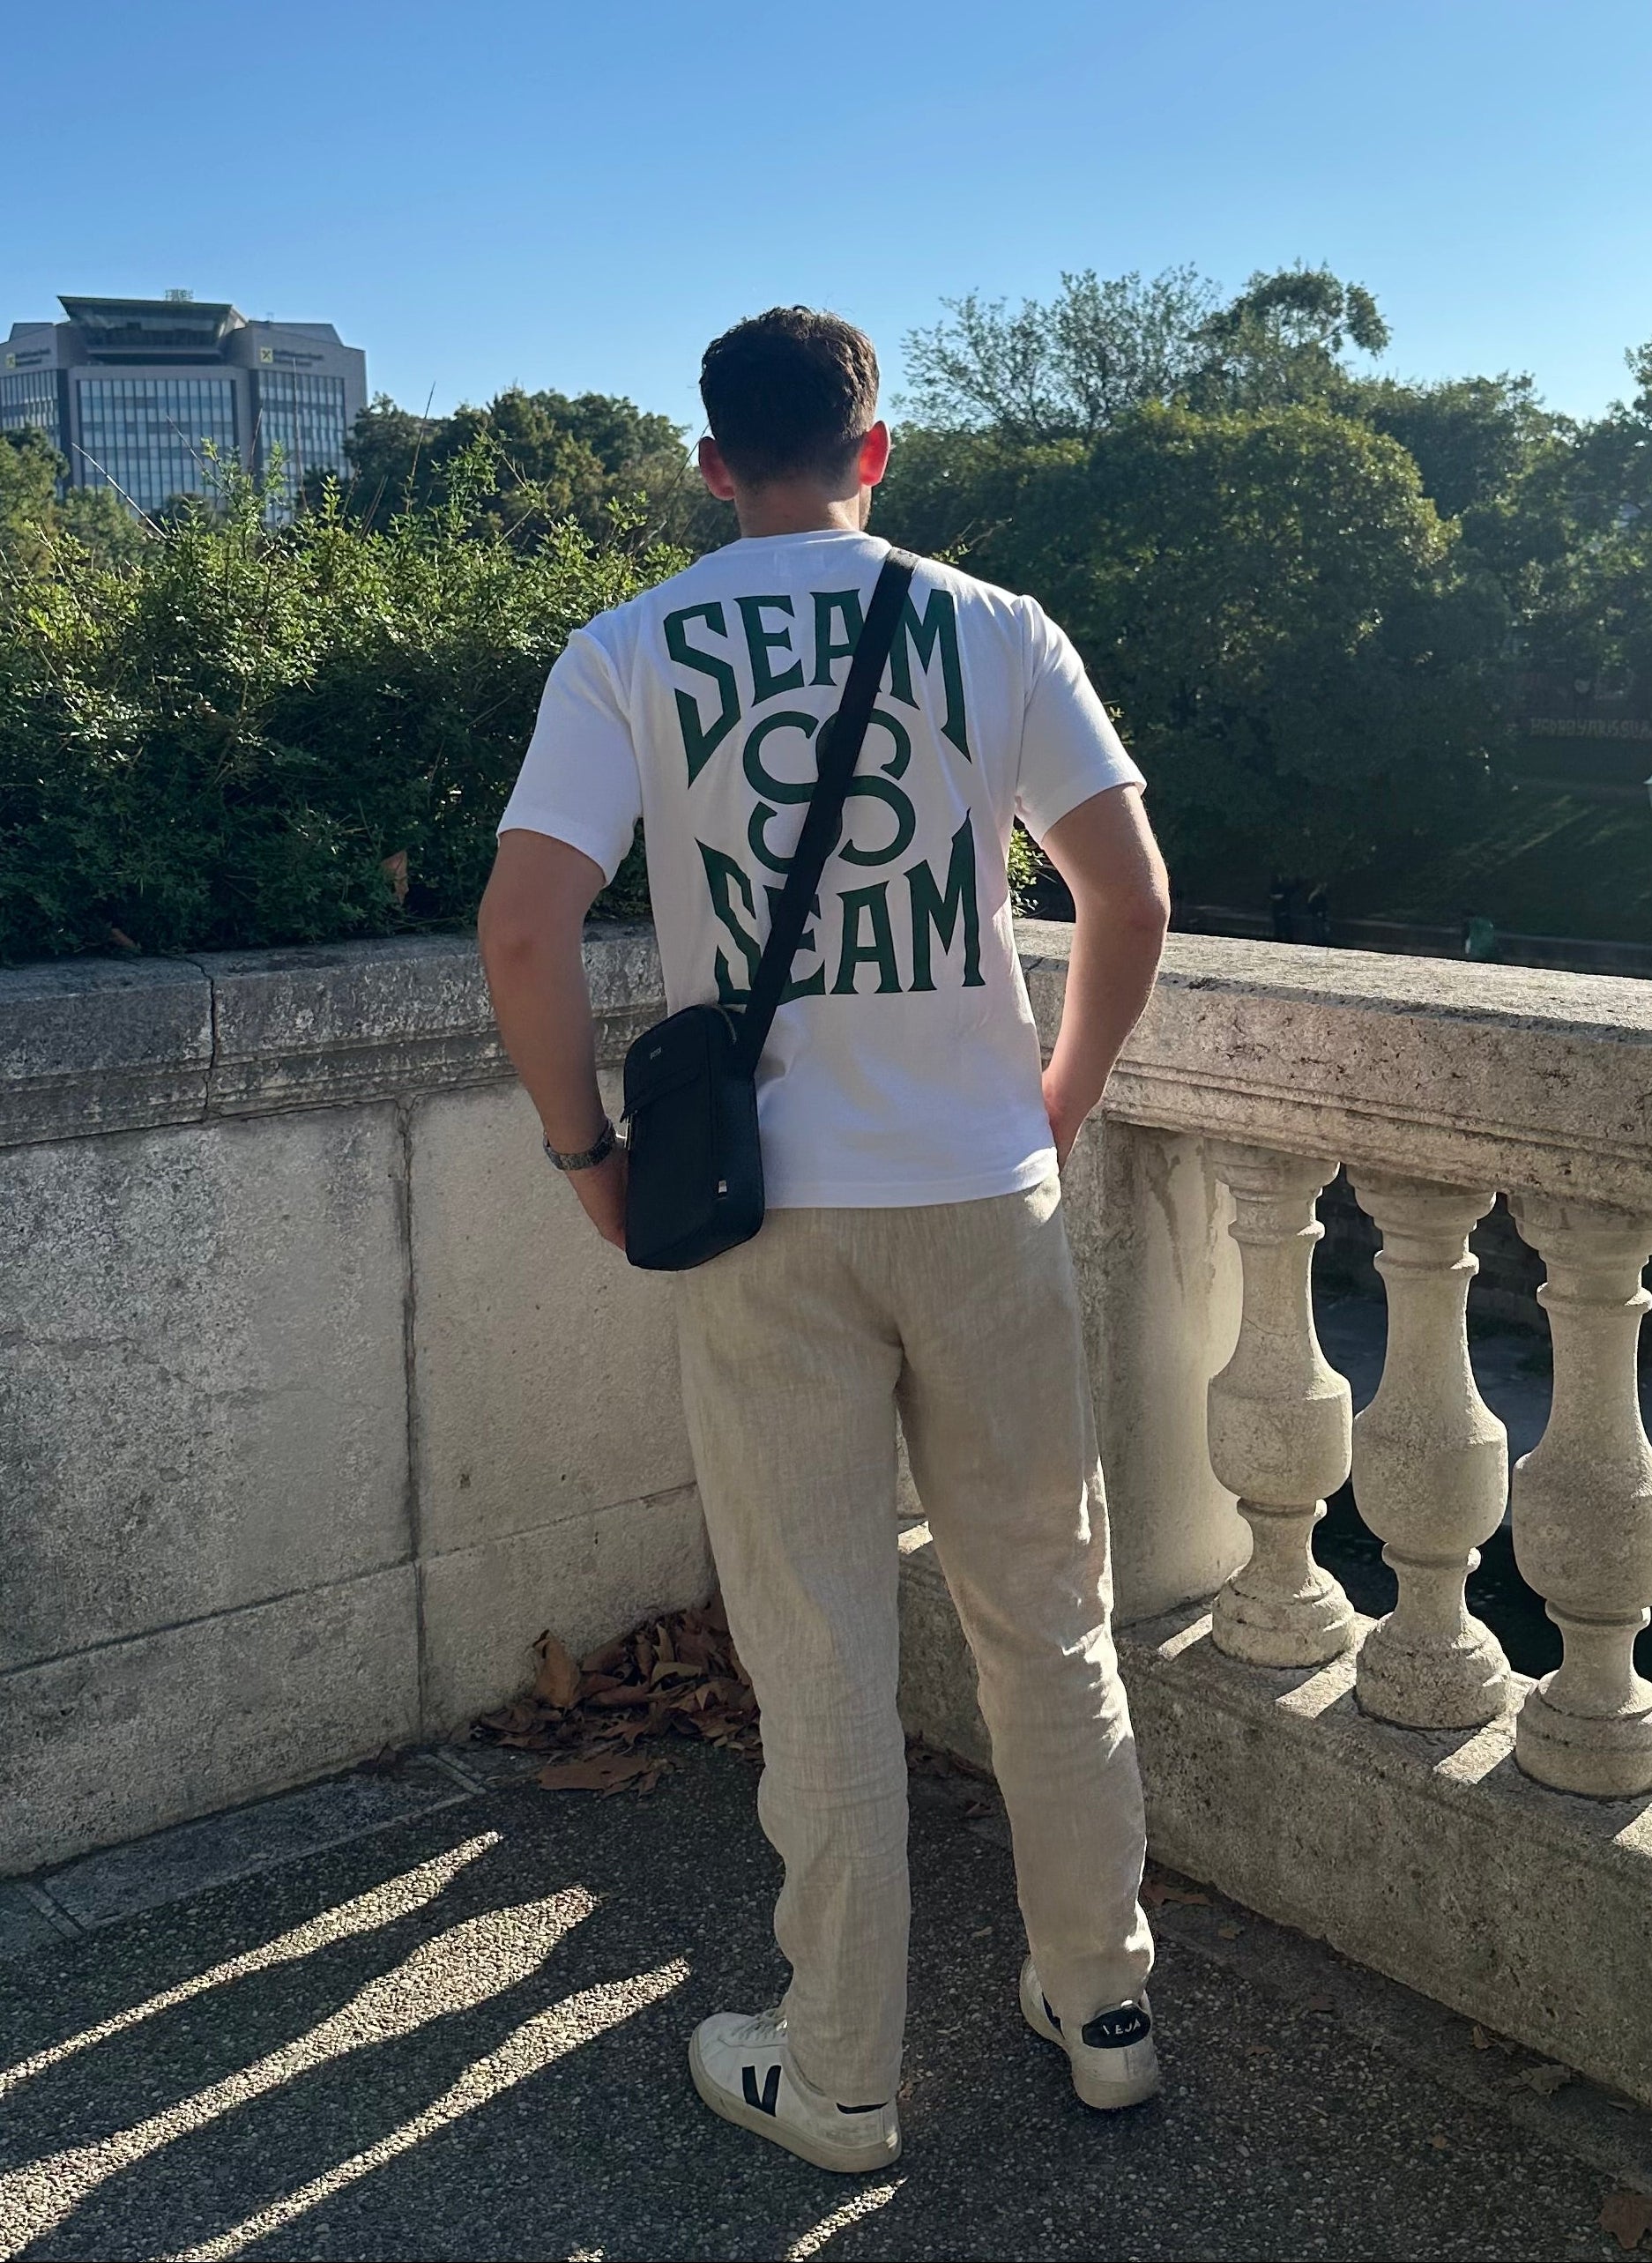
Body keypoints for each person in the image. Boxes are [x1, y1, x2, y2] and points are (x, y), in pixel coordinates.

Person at [479, 307, 1172, 2175]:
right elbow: (1130, 895)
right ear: (880, 449)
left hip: (763, 1217)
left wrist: (583, 1159)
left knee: (820, 1650)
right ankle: (1104, 2004)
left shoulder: (629, 648)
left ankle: (844, 2073)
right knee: (1049, 1616)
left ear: (714, 465)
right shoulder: (996, 627)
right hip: (979, 1192)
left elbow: (527, 931)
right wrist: (1058, 1095)